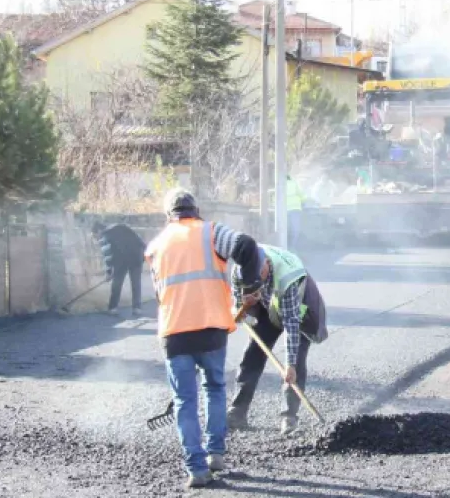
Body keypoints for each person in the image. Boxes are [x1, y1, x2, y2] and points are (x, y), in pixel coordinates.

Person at [144, 188, 261, 489]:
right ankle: (216, 453)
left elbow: (159, 293)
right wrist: (249, 288)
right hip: (211, 328)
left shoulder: (156, 245)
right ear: (195, 210)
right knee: (215, 388)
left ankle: (196, 468)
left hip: (175, 333)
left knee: (184, 400)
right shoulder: (211, 232)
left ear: (168, 215)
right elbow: (247, 247)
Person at [228, 243, 328, 436]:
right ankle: (237, 412)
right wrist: (244, 308)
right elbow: (237, 306)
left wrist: (289, 364)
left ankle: (289, 417)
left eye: (257, 279)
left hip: (298, 307)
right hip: (267, 306)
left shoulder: (288, 278)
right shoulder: (239, 269)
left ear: (266, 265)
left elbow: (291, 324)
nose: (253, 283)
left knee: (296, 361)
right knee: (252, 354)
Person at [91, 221, 146, 318]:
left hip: (121, 260)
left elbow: (107, 256)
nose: (97, 237)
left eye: (95, 235)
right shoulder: (122, 227)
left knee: (117, 284)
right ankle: (137, 308)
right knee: (136, 283)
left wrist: (109, 272)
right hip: (137, 257)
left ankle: (113, 308)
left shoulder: (105, 235)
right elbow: (140, 241)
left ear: (99, 230)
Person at [286, 175, 304, 250]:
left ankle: (284, 246)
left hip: (283, 210)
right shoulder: (294, 184)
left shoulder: (278, 184)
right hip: (295, 209)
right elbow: (302, 196)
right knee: (295, 229)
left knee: (285, 229)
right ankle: (292, 247)